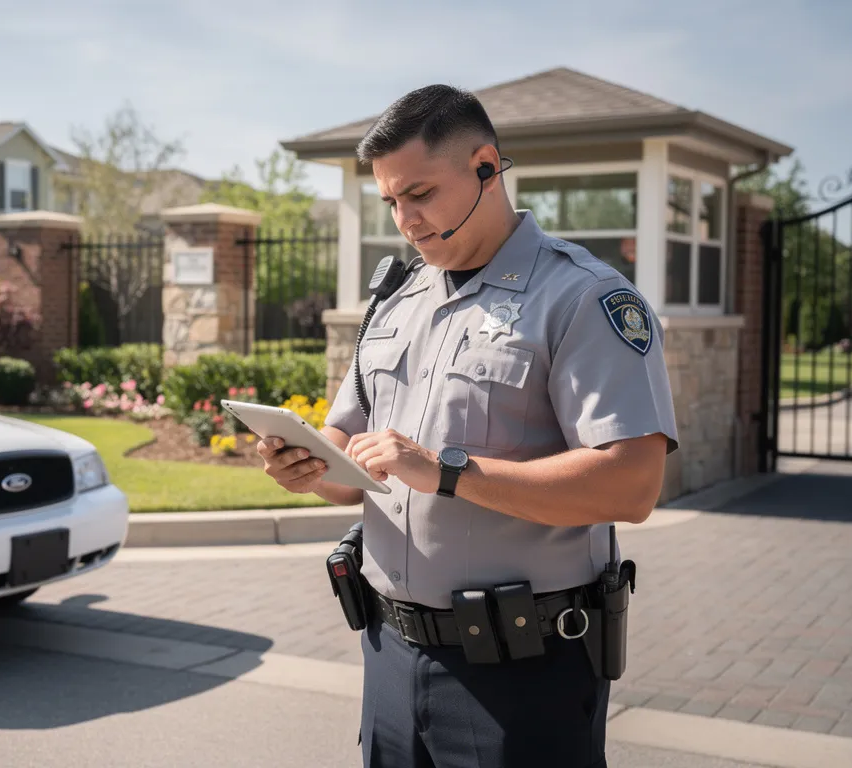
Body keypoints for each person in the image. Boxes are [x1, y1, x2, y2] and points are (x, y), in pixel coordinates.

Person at [257, 84, 678, 767]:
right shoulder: (399, 300)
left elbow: (632, 485)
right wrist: (305, 465)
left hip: (522, 672)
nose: (405, 220)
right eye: (391, 201)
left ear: (486, 167)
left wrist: (449, 472)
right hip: (388, 651)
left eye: (419, 193)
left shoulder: (583, 297)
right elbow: (348, 456)